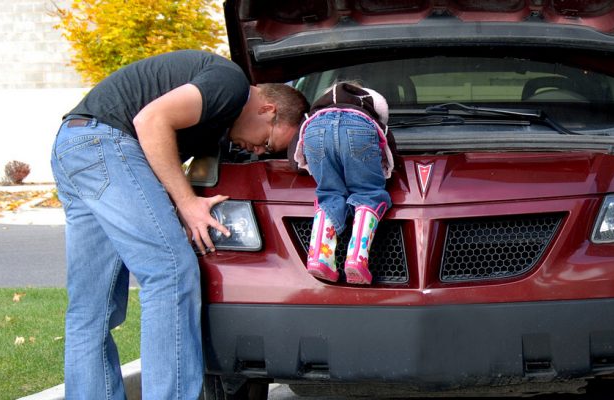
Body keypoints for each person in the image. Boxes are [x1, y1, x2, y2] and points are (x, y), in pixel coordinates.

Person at [50, 49, 308, 399]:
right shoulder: (231, 84)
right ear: (267, 109)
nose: (259, 152)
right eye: (266, 142)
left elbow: (159, 160)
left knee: (91, 309)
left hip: (74, 144)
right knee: (170, 271)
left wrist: (171, 205)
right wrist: (187, 204)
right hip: (104, 144)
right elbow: (150, 121)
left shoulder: (218, 121)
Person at [292, 82, 396, 285]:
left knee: (329, 195)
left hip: (314, 133)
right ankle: (357, 259)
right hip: (358, 131)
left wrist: (307, 166)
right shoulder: (367, 113)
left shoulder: (312, 116)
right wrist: (386, 169)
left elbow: (296, 149)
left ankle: (319, 258)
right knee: (368, 194)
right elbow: (388, 147)